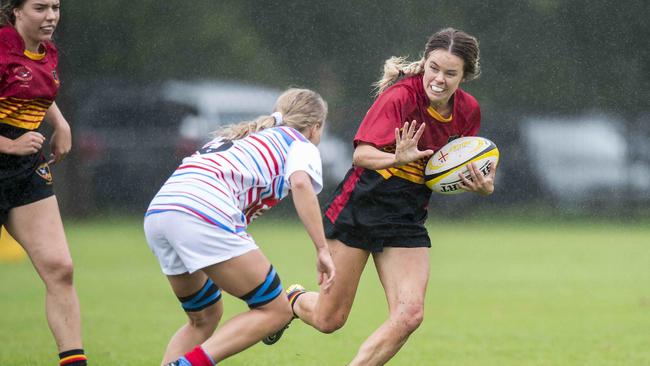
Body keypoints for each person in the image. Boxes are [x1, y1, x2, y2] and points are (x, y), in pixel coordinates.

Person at [263, 28, 498, 365]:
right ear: (425, 63)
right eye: (434, 68)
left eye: (450, 73)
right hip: (361, 207)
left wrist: (482, 186)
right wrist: (396, 158)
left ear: (465, 75)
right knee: (330, 320)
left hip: (406, 217)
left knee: (410, 315)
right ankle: (295, 301)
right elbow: (361, 155)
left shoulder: (468, 110)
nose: (439, 79)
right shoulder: (400, 97)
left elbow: (453, 167)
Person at [144, 88, 336, 366]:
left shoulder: (246, 135)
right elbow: (301, 184)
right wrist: (322, 249)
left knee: (204, 317)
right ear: (316, 127)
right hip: (200, 212)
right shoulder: (300, 143)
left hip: (161, 212)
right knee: (276, 311)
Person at [0, 1, 88, 365]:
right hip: (10, 149)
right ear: (15, 11)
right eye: (40, 7)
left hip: (24, 172)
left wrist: (61, 123)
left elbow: (34, 86)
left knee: (59, 267)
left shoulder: (45, 51)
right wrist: (9, 144)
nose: (51, 16)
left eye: (55, 7)